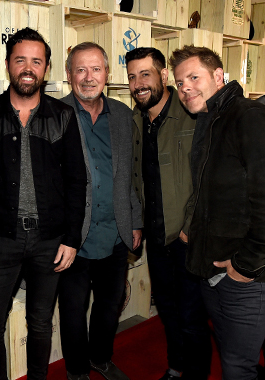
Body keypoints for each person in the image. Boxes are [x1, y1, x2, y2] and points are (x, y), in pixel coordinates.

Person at [0, 27, 87, 380]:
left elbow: (78, 182)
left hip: (51, 240)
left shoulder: (63, 116)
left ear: (46, 68)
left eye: (36, 61)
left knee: (41, 324)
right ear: (7, 66)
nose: (28, 68)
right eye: (20, 60)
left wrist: (71, 239)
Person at [170, 45, 265, 380]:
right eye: (180, 83)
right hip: (212, 271)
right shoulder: (208, 121)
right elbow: (206, 190)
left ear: (218, 76)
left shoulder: (247, 115)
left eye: (194, 77)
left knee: (238, 367)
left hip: (244, 276)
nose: (186, 88)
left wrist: (245, 266)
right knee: (229, 357)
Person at [125, 47, 211, 380]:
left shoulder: (193, 112)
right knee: (169, 313)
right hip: (156, 239)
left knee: (192, 317)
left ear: (162, 75)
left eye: (145, 74)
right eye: (132, 77)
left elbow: (209, 177)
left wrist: (191, 227)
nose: (138, 84)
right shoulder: (135, 121)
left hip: (188, 239)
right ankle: (176, 368)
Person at [58, 42, 142, 380]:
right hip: (71, 238)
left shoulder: (123, 115)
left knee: (109, 307)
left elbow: (131, 176)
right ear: (68, 75)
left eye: (96, 69)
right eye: (80, 69)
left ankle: (100, 357)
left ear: (107, 74)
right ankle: (77, 370)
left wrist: (135, 221)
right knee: (73, 311)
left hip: (116, 232)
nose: (88, 77)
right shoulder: (53, 113)